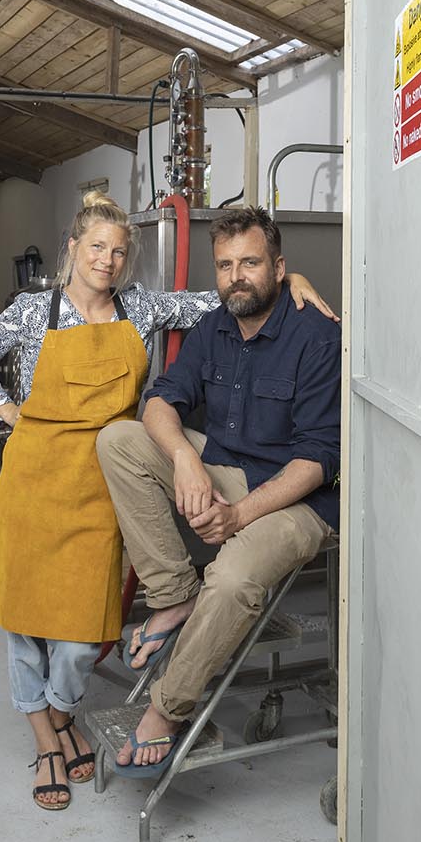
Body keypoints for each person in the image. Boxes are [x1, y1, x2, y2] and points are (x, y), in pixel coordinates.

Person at [0, 192, 335, 813]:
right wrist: (10, 415)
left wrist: (296, 279)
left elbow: (233, 297)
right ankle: (48, 737)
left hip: (99, 488)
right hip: (36, 479)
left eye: (118, 251)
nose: (106, 260)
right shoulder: (33, 311)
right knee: (26, 623)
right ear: (72, 249)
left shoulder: (143, 308)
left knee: (80, 631)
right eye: (95, 247)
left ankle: (65, 713)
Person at [96, 205, 341, 777]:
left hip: (299, 499)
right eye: (225, 265)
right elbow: (161, 400)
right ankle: (174, 593)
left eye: (250, 262)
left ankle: (168, 709)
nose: (237, 276)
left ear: (279, 267)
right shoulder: (215, 328)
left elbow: (317, 459)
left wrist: (238, 518)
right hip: (228, 470)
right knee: (119, 440)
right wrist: (185, 459)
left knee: (231, 578)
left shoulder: (316, 335)